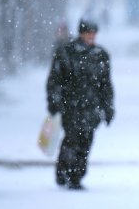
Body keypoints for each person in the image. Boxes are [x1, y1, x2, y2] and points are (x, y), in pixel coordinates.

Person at [46, 19, 114, 190]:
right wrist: (54, 101)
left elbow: (105, 84)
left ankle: (76, 175)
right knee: (72, 139)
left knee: (86, 140)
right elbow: (55, 79)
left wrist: (108, 107)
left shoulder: (100, 54)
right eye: (88, 32)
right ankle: (67, 174)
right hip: (71, 106)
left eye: (94, 33)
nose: (91, 36)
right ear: (81, 33)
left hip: (92, 107)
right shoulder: (66, 52)